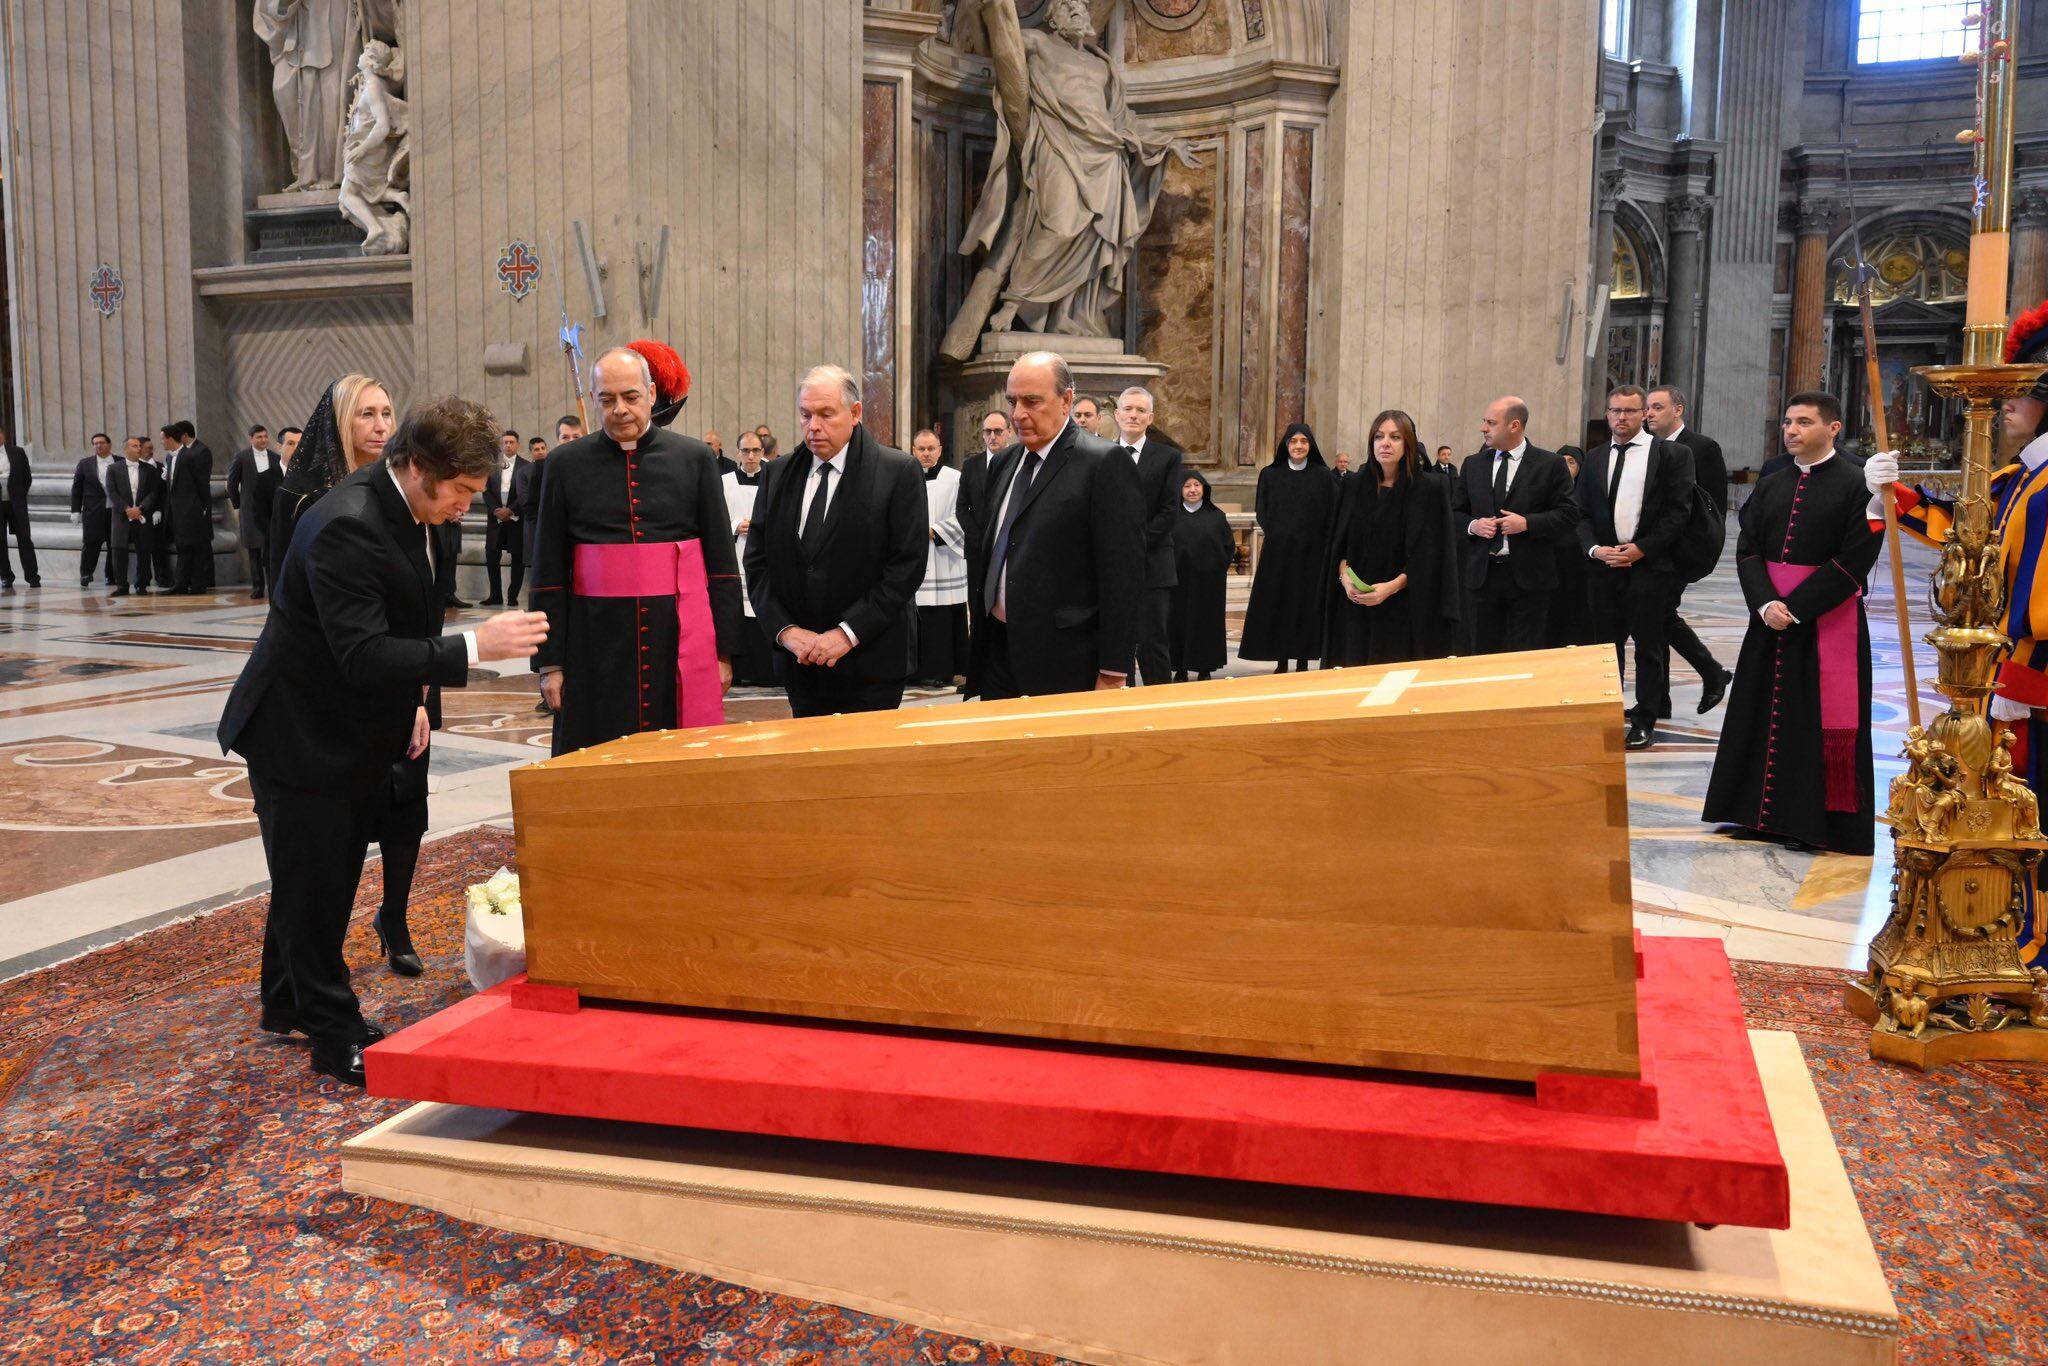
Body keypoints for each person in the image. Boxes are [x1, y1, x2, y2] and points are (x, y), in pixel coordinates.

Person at [219, 395, 549, 1087]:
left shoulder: (405, 506)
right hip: (298, 730)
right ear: (419, 466)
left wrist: (417, 701)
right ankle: (333, 1032)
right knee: (318, 883)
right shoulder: (349, 523)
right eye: (460, 490)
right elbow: (363, 654)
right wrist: (475, 646)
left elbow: (399, 621)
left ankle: (286, 1001)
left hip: (342, 722)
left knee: (312, 876)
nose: (467, 505)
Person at [531, 344, 745, 753]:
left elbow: (721, 564)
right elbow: (548, 570)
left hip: (676, 635)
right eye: (607, 399)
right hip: (592, 640)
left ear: (651, 393)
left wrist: (723, 653)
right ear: (593, 399)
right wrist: (550, 662)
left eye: (630, 397)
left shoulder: (695, 458)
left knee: (676, 758)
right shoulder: (564, 465)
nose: (620, 410)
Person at [1702, 392, 1881, 855]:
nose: (1791, 430)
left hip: (1825, 621)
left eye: (1803, 422)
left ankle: (1811, 824)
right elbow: (1748, 549)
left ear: (1833, 428)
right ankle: (1757, 816)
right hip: (1769, 620)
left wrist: (1796, 607)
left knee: (1813, 721)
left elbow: (1856, 559)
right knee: (1760, 714)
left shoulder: (1858, 484)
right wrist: (1765, 604)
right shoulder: (1773, 481)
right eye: (1787, 422)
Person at [743, 366, 926, 717]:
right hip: (802, 661)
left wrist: (846, 633)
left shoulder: (897, 471)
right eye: (805, 414)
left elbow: (906, 567)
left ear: (855, 413)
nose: (813, 426)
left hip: (870, 661)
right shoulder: (777, 474)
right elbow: (757, 562)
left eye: (826, 414)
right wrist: (786, 631)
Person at [966, 350, 1144, 699]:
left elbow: (1123, 574)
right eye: (1013, 401)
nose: (1018, 414)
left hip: (1067, 658)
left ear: (1066, 400)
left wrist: (1113, 669)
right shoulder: (1003, 463)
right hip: (998, 650)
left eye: (1032, 401)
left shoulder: (1104, 463)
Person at [1573, 385, 1695, 750]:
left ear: (1644, 414)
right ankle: (1607, 712)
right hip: (1604, 567)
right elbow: (1580, 513)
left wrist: (1642, 549)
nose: (1621, 417)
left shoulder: (1671, 454)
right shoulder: (1595, 457)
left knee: (1649, 647)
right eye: (1615, 411)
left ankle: (1645, 720)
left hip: (1649, 566)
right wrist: (1595, 549)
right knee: (1605, 648)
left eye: (1629, 411)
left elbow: (1679, 513)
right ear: (1607, 415)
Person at [1325, 409, 1461, 665]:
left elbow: (1432, 555)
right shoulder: (1353, 485)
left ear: (1408, 443)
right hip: (1354, 606)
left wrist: (1391, 587)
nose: (1385, 443)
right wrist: (1345, 578)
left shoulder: (1430, 489)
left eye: (1395, 437)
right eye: (1379, 436)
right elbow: (1339, 546)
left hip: (1404, 607)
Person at [1451, 396, 1580, 653]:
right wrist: (1473, 525)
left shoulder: (1550, 464)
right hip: (1483, 575)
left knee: (1526, 655)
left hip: (1530, 576)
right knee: (1482, 655)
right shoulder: (1473, 464)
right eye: (1484, 421)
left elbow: (1569, 514)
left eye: (1491, 423)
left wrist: (1527, 523)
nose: (1483, 428)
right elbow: (1454, 513)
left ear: (1514, 425)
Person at [1646, 385, 1733, 714]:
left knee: (1659, 614)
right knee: (1655, 617)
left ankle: (1710, 674)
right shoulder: (1646, 445)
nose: (1649, 414)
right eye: (1647, 408)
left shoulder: (1702, 448)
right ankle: (1663, 698)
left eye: (1657, 407)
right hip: (1650, 548)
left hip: (1679, 551)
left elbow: (1713, 507)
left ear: (1678, 410)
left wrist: (1696, 550)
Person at [269, 374, 396, 587]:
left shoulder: (394, 486)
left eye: (386, 413)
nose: (381, 426)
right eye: (367, 414)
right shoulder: (301, 496)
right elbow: (284, 584)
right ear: (340, 420)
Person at [1241, 422, 1339, 672]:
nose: (1298, 446)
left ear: (1310, 445)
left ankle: (1303, 660)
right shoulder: (1270, 474)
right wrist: (1279, 534)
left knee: (1305, 606)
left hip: (1311, 555)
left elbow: (1332, 512)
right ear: (1286, 445)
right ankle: (1281, 660)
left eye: (1303, 441)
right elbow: (1262, 509)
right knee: (1279, 605)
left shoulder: (1323, 476)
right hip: (1279, 553)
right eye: (1293, 441)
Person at [1111, 386, 1184, 685]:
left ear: (1150, 418)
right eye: (1128, 409)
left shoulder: (1168, 457)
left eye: (1141, 410)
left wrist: (1135, 545)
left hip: (1152, 563)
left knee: (1153, 641)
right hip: (1111, 564)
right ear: (1117, 415)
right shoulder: (1099, 454)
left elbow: (1169, 510)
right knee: (1116, 641)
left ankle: (1159, 702)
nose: (1133, 415)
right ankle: (1119, 701)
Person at [911, 427, 969, 687]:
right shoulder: (904, 477)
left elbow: (965, 514)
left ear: (940, 450)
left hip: (945, 557)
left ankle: (944, 670)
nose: (926, 453)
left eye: (931, 448)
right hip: (915, 557)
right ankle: (915, 671)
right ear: (913, 450)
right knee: (917, 616)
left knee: (944, 617)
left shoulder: (955, 478)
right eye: (921, 449)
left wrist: (936, 531)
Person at [721, 430, 777, 686]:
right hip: (735, 556)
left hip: (764, 559)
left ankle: (765, 673)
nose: (751, 456)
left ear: (763, 453)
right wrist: (735, 525)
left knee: (762, 612)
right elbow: (715, 517)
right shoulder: (725, 482)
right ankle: (740, 672)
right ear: (738, 453)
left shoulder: (773, 479)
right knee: (739, 617)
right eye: (746, 451)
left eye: (755, 450)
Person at [1169, 469, 1232, 681]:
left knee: (1206, 625)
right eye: (1187, 486)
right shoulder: (1171, 516)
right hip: (1178, 583)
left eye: (1197, 485)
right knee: (1178, 624)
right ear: (1179, 490)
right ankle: (1180, 669)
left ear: (1204, 488)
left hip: (1209, 584)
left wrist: (1215, 569)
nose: (1192, 490)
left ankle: (1205, 668)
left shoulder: (1217, 517)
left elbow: (1228, 547)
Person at [1547, 446, 1598, 647]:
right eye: (1562, 461)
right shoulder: (1547, 490)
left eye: (1571, 462)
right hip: (1552, 560)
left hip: (1580, 561)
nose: (1566, 466)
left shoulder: (1587, 492)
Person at [226, 425, 280, 599]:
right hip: (250, 510)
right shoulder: (241, 457)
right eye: (259, 437)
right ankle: (258, 586)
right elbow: (232, 484)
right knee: (254, 549)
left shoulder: (275, 458)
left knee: (271, 548)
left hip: (271, 511)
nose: (263, 440)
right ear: (251, 439)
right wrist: (237, 506)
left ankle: (274, 584)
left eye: (265, 436)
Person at [160, 421, 214, 594]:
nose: (161, 442)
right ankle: (181, 584)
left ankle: (198, 584)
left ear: (170, 439)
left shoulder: (191, 455)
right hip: (176, 510)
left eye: (163, 438)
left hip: (192, 509)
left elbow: (202, 484)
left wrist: (203, 507)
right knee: (182, 547)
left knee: (196, 547)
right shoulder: (169, 457)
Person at [106, 436, 159, 596]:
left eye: (139, 446)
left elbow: (154, 492)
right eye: (135, 446)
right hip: (122, 516)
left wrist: (140, 508)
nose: (139, 449)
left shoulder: (149, 469)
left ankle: (141, 584)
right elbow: (111, 492)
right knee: (119, 550)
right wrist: (126, 508)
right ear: (126, 449)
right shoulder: (113, 469)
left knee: (144, 550)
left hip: (142, 515)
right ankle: (121, 585)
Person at [959, 410, 1012, 561]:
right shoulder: (970, 466)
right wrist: (979, 538)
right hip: (977, 548)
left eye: (998, 431)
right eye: (988, 431)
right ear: (982, 434)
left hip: (1010, 547)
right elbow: (961, 508)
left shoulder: (1021, 462)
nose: (992, 437)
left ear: (1009, 432)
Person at [480, 429, 522, 606]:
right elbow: (486, 490)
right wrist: (496, 510)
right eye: (505, 442)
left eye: (512, 442)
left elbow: (527, 493)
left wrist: (511, 510)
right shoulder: (492, 466)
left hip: (516, 519)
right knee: (491, 556)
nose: (508, 445)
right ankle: (495, 595)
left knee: (518, 558)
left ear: (518, 444)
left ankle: (513, 596)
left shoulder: (526, 466)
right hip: (495, 519)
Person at [70, 433, 115, 588]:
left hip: (115, 510)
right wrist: (75, 510)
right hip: (93, 511)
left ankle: (111, 575)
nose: (98, 446)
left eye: (101, 442)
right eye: (95, 443)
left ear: (109, 444)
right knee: (91, 543)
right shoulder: (85, 463)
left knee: (114, 544)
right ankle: (86, 574)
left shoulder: (120, 461)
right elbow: (76, 488)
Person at [0, 426, 39, 588]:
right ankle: (5, 576)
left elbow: (27, 477)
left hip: (16, 503)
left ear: (3, 435)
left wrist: (20, 494)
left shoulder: (17, 452)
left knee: (25, 539)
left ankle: (32, 576)